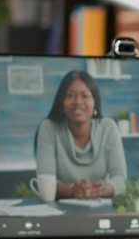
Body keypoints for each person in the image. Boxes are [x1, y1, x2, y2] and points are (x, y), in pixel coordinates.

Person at [36, 70, 127, 199]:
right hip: (61, 211)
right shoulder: (49, 128)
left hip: (100, 208)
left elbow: (120, 179)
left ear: (94, 102)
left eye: (85, 95)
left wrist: (102, 190)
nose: (78, 101)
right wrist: (72, 190)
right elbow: (46, 181)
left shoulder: (108, 127)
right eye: (70, 95)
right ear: (62, 102)